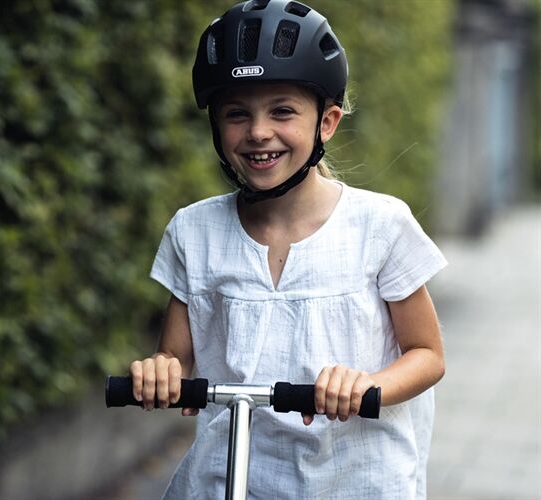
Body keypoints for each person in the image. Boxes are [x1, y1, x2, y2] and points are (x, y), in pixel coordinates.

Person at [129, 1, 447, 498]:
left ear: (327, 122)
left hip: (354, 482)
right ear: (215, 126)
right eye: (237, 114)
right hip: (231, 479)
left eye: (282, 111)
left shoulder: (379, 226)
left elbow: (427, 354)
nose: (258, 131)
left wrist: (365, 385)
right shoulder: (194, 231)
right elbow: (176, 356)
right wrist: (161, 370)